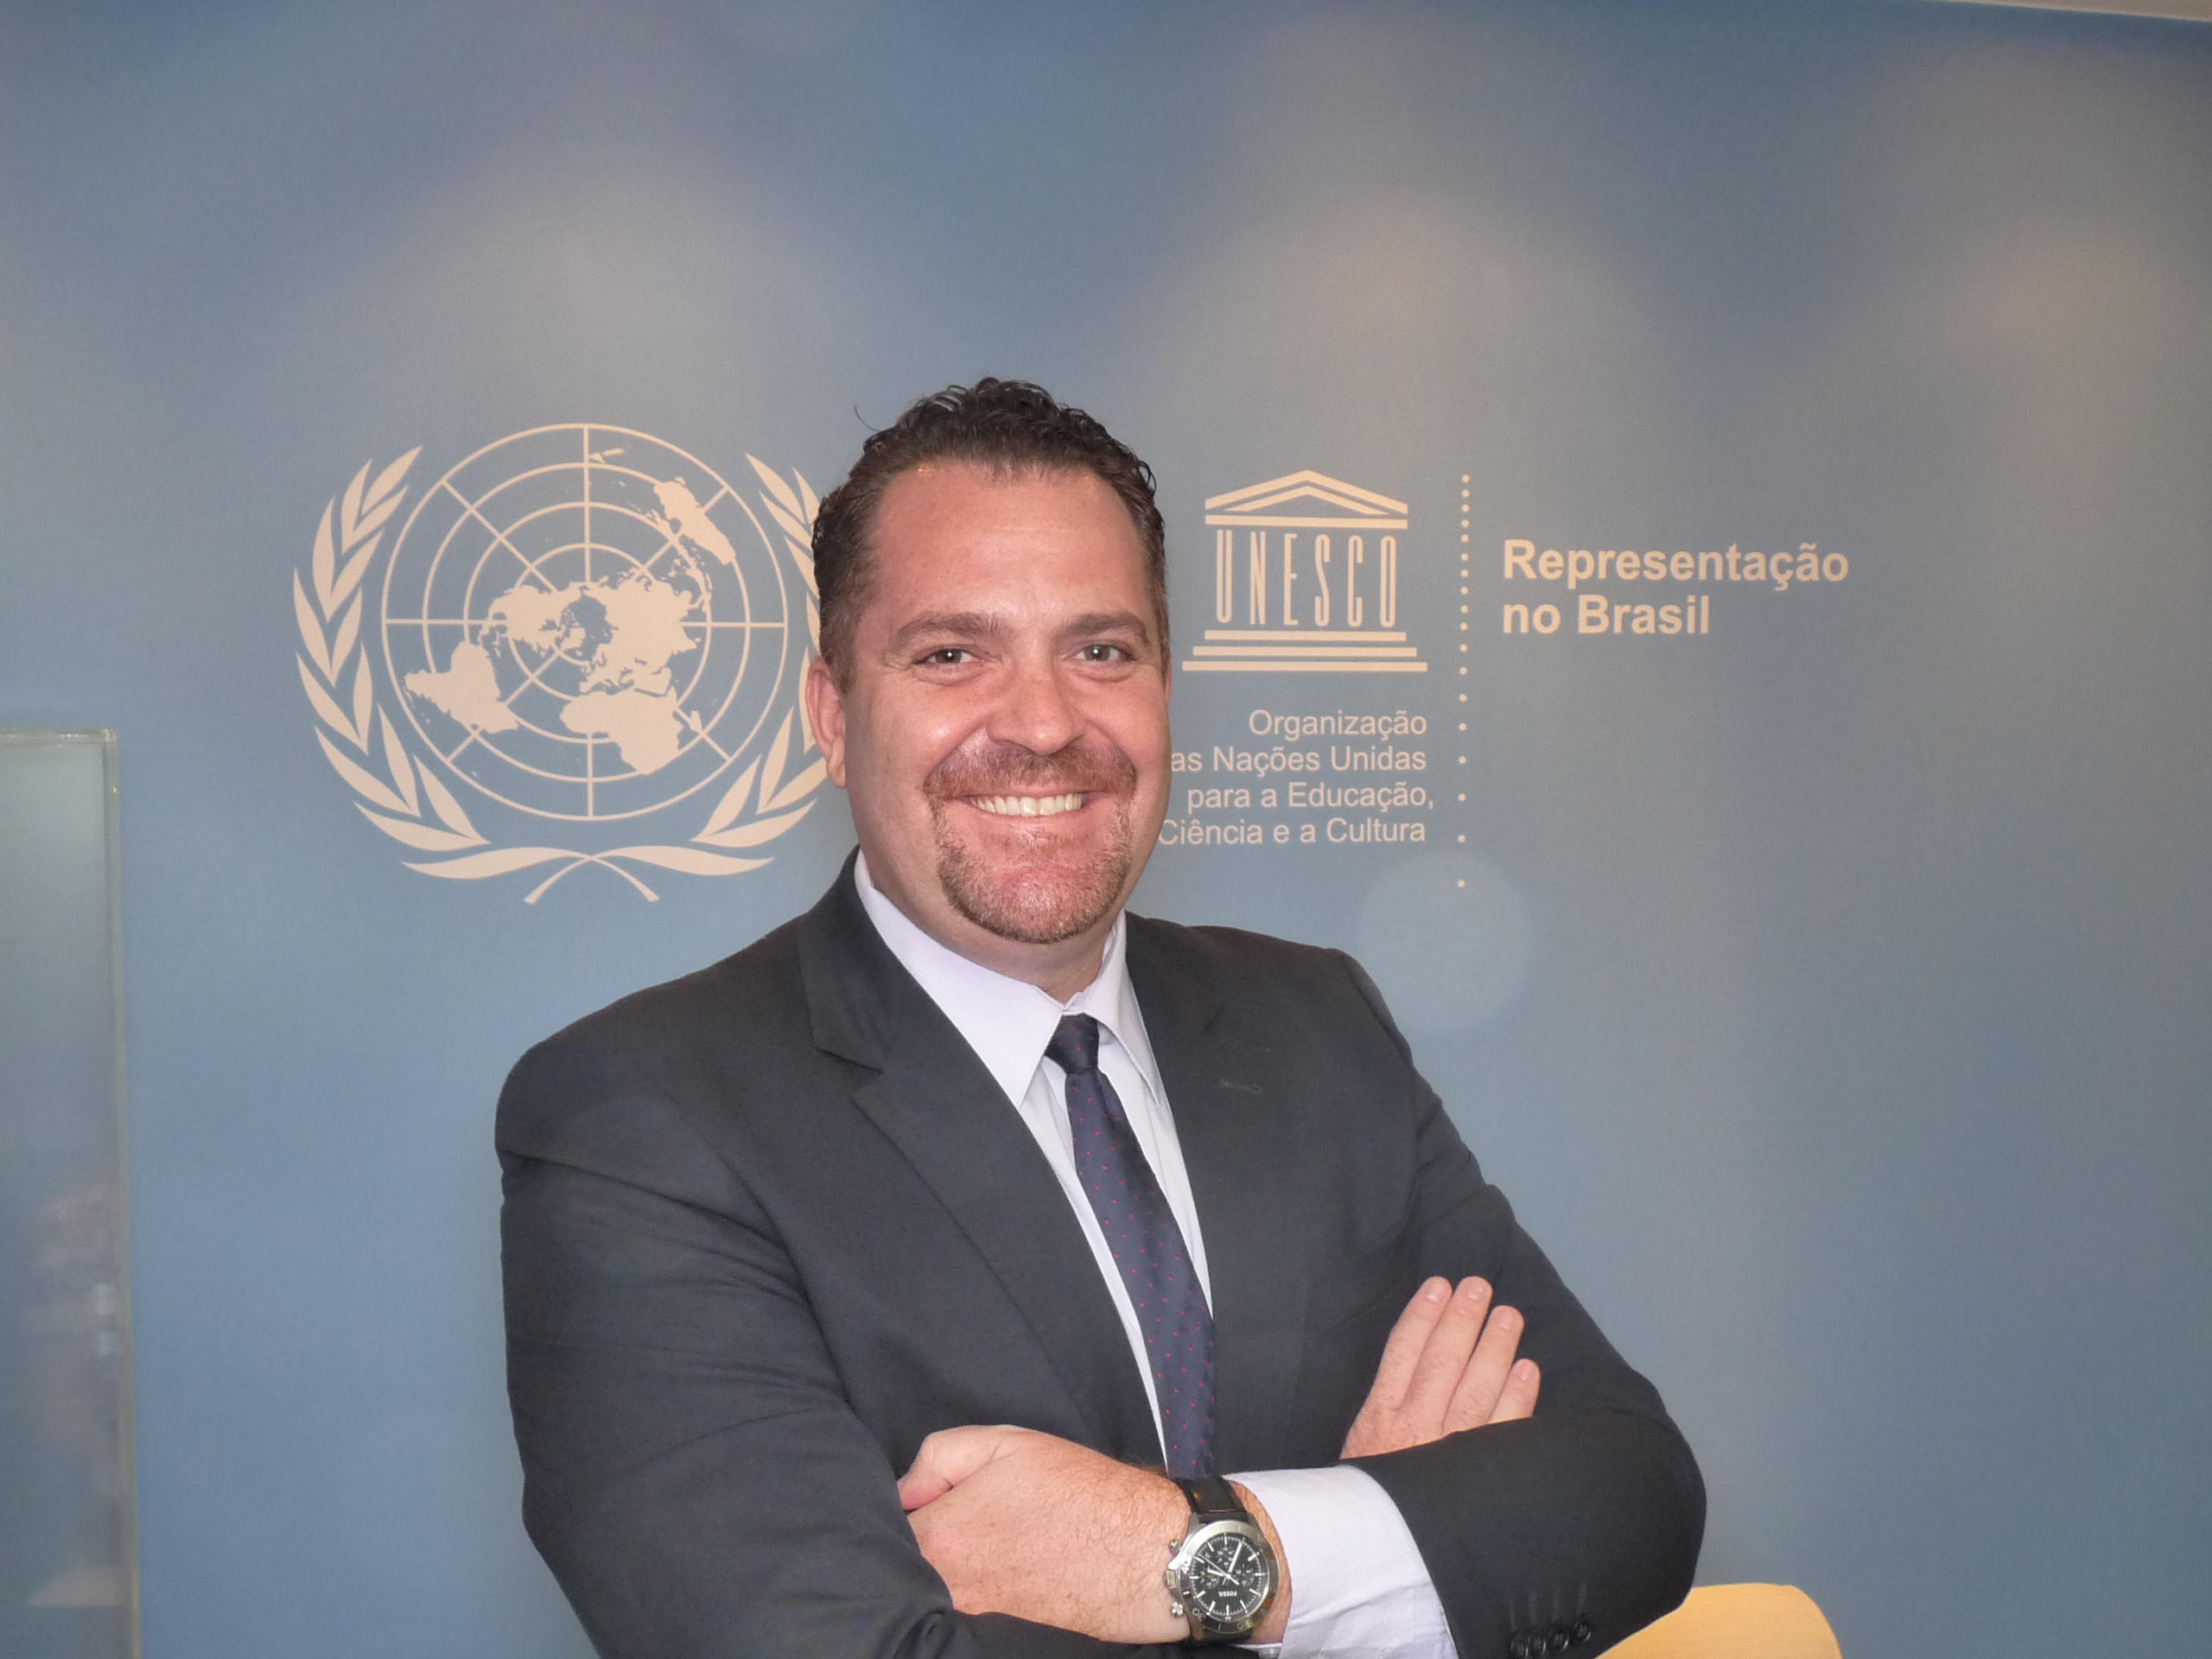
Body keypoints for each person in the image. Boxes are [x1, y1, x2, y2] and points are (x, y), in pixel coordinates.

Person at [498, 380, 1702, 1658]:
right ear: (834, 716)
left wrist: (1191, 1554)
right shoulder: (644, 1118)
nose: (1043, 723)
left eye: (1102, 652)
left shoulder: (1318, 1027)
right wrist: (1382, 1560)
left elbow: (1630, 1497)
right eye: (952, 654)